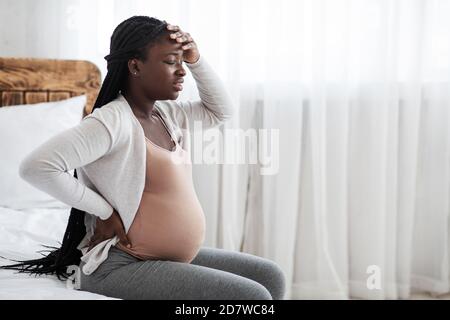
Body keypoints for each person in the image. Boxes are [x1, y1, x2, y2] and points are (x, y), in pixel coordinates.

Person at [0, 16, 286, 300]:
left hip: (161, 258)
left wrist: (196, 58)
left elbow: (220, 111)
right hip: (118, 265)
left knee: (270, 276)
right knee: (252, 295)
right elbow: (37, 167)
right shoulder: (112, 121)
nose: (182, 71)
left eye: (182, 62)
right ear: (135, 66)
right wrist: (104, 211)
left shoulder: (166, 115)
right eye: (171, 62)